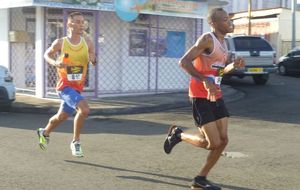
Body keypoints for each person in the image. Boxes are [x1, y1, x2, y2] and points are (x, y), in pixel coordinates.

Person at [163, 8, 245, 189]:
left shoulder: (224, 44)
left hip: (216, 94)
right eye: (225, 20)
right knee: (213, 143)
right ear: (214, 23)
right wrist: (204, 80)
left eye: (229, 19)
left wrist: (233, 65)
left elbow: (218, 71)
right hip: (200, 95)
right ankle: (179, 134)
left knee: (223, 141)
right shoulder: (207, 39)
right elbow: (183, 62)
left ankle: (200, 179)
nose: (230, 22)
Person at [37, 11, 96, 157]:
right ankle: (76, 142)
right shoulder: (61, 42)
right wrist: (56, 63)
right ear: (69, 24)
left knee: (61, 116)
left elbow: (93, 57)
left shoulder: (88, 42)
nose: (81, 24)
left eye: (83, 22)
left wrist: (94, 59)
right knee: (84, 110)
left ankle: (44, 133)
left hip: (77, 88)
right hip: (64, 86)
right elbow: (46, 54)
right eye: (77, 21)